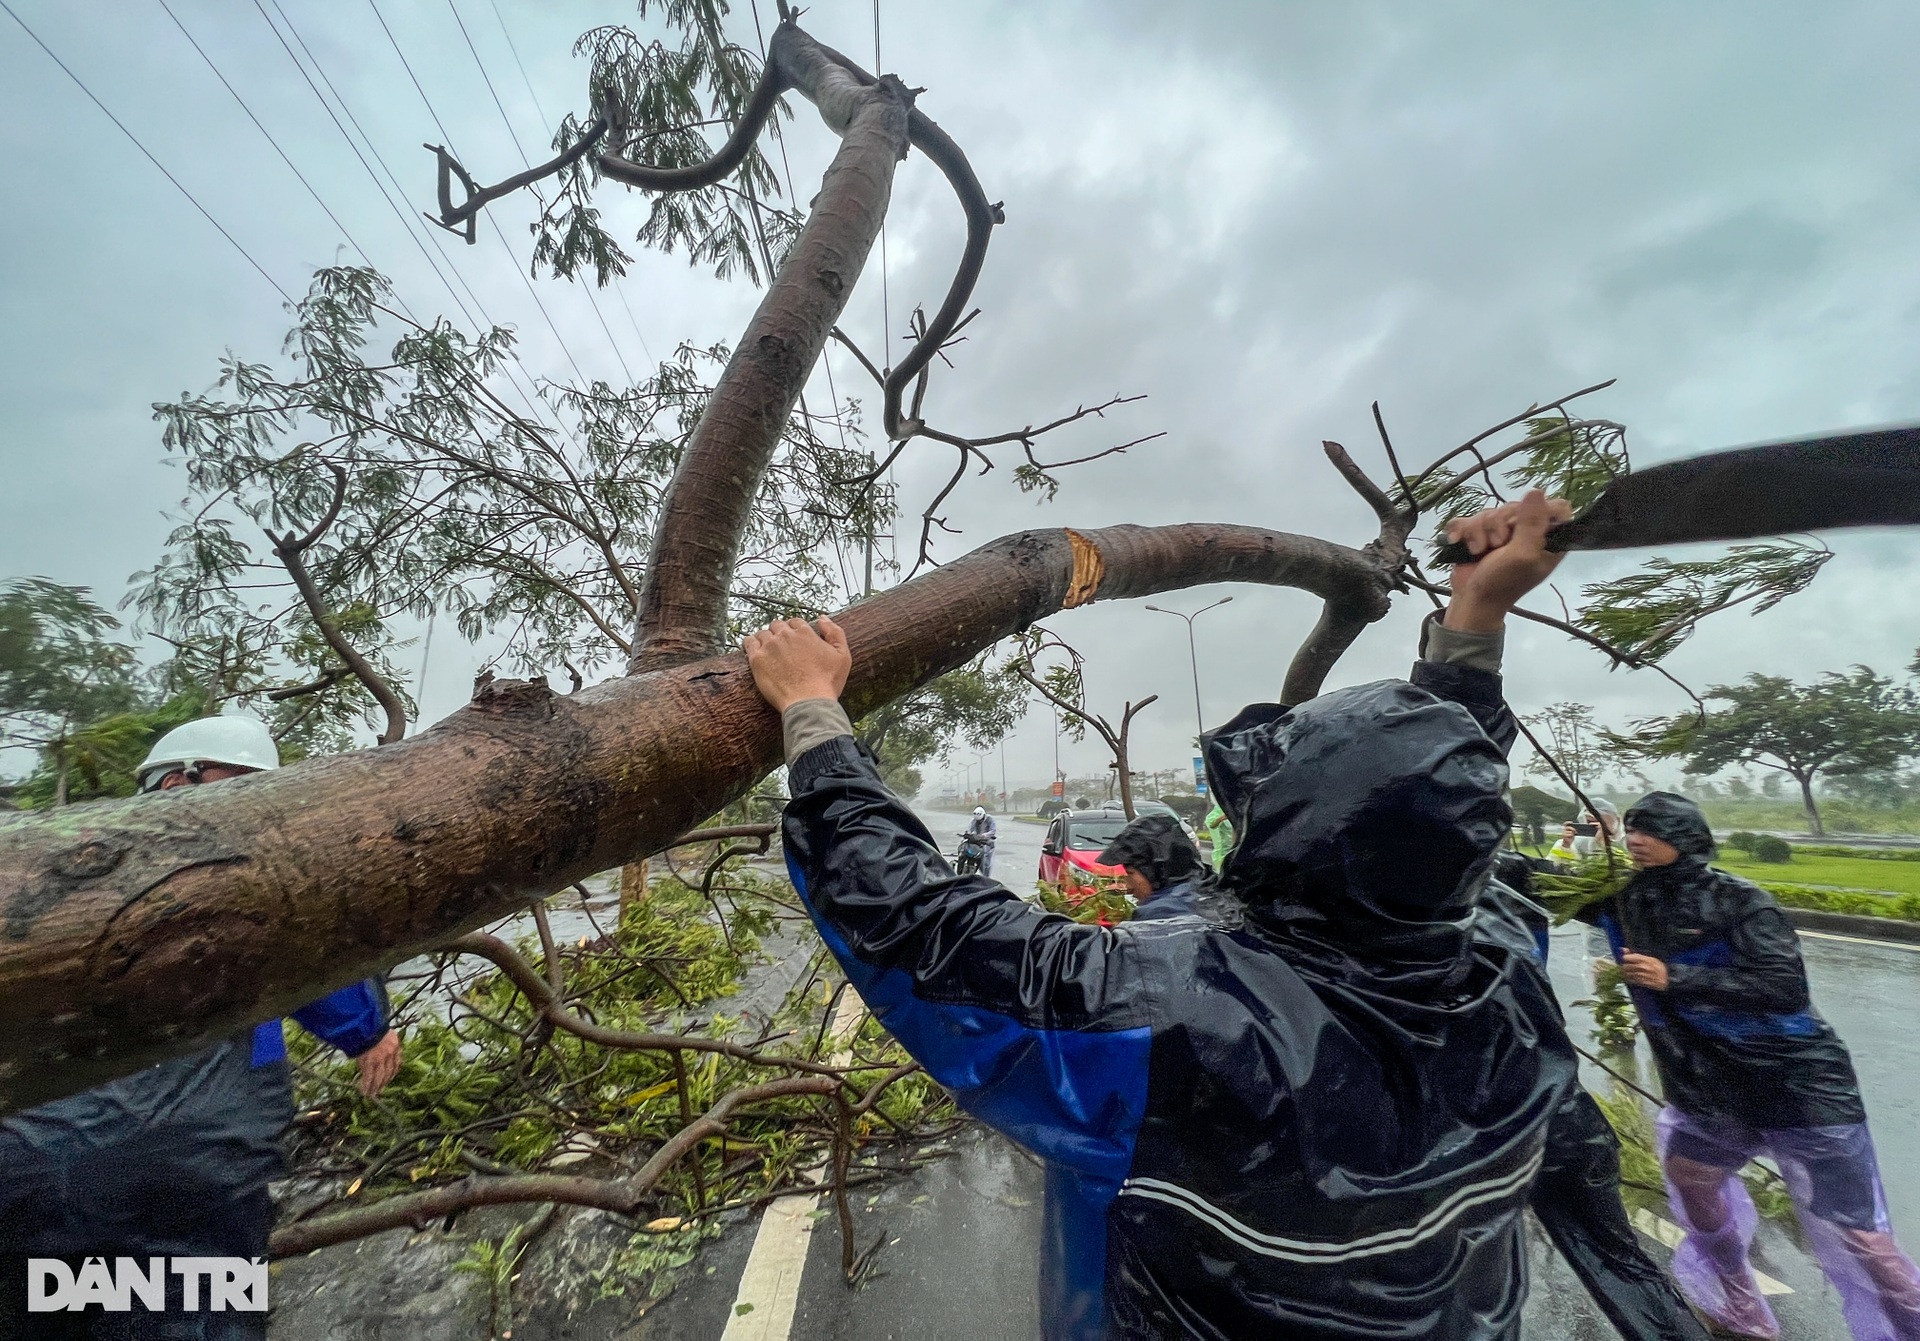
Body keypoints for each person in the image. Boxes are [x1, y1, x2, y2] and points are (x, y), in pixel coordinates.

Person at [748, 490, 1582, 1339]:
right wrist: (1477, 614)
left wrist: (811, 709)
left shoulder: (1186, 1018)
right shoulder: (1503, 960)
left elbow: (923, 928)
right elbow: (1442, 800)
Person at [0, 716, 402, 1338]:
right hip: (197, 1160)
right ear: (175, 784)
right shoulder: (251, 868)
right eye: (237, 785)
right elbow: (318, 944)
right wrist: (367, 1030)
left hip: (55, 1157)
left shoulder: (54, 864)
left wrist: (362, 1030)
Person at [1594, 791, 1920, 1341]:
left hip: (1798, 1087)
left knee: (1858, 1235)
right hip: (1711, 1090)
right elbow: (1525, 882)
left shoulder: (1742, 902)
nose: (1636, 840)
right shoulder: (1625, 900)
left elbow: (1784, 988)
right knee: (1691, 1178)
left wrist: (1677, 978)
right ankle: (1740, 1298)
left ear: (1686, 839)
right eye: (1631, 829)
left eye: (1650, 830)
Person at [1481, 854, 1711, 1341]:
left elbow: (1623, 900)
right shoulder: (1502, 872)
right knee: (1616, 1259)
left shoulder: (1510, 876)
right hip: (1547, 1104)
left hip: (1513, 1108)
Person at [1097, 813, 1205, 922]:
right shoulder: (1207, 886)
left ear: (1154, 871)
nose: (1127, 887)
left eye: (1130, 873)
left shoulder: (1159, 914)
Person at [1201, 799, 1234, 874]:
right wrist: (1222, 818)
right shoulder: (1220, 810)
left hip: (1235, 849)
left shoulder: (1237, 810)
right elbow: (1211, 823)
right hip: (1223, 851)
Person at [965, 804, 998, 876]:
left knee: (986, 864)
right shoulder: (974, 820)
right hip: (978, 842)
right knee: (979, 861)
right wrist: (968, 834)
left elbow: (993, 831)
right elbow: (970, 828)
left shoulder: (990, 819)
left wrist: (984, 835)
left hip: (988, 843)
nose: (979, 822)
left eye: (980, 820)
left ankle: (986, 878)